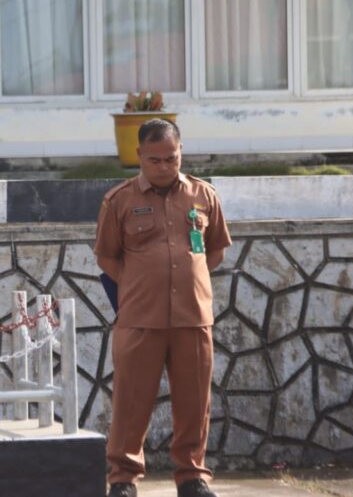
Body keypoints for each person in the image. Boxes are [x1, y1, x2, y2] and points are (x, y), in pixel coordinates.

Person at [94, 118, 231, 497]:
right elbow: (106, 256)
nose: (164, 166)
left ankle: (192, 477)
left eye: (171, 158)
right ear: (139, 156)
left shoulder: (204, 195)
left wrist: (187, 281)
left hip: (193, 316)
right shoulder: (119, 200)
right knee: (131, 401)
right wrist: (140, 284)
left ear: (181, 152)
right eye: (155, 160)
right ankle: (122, 478)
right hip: (140, 317)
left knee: (194, 401)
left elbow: (215, 250)